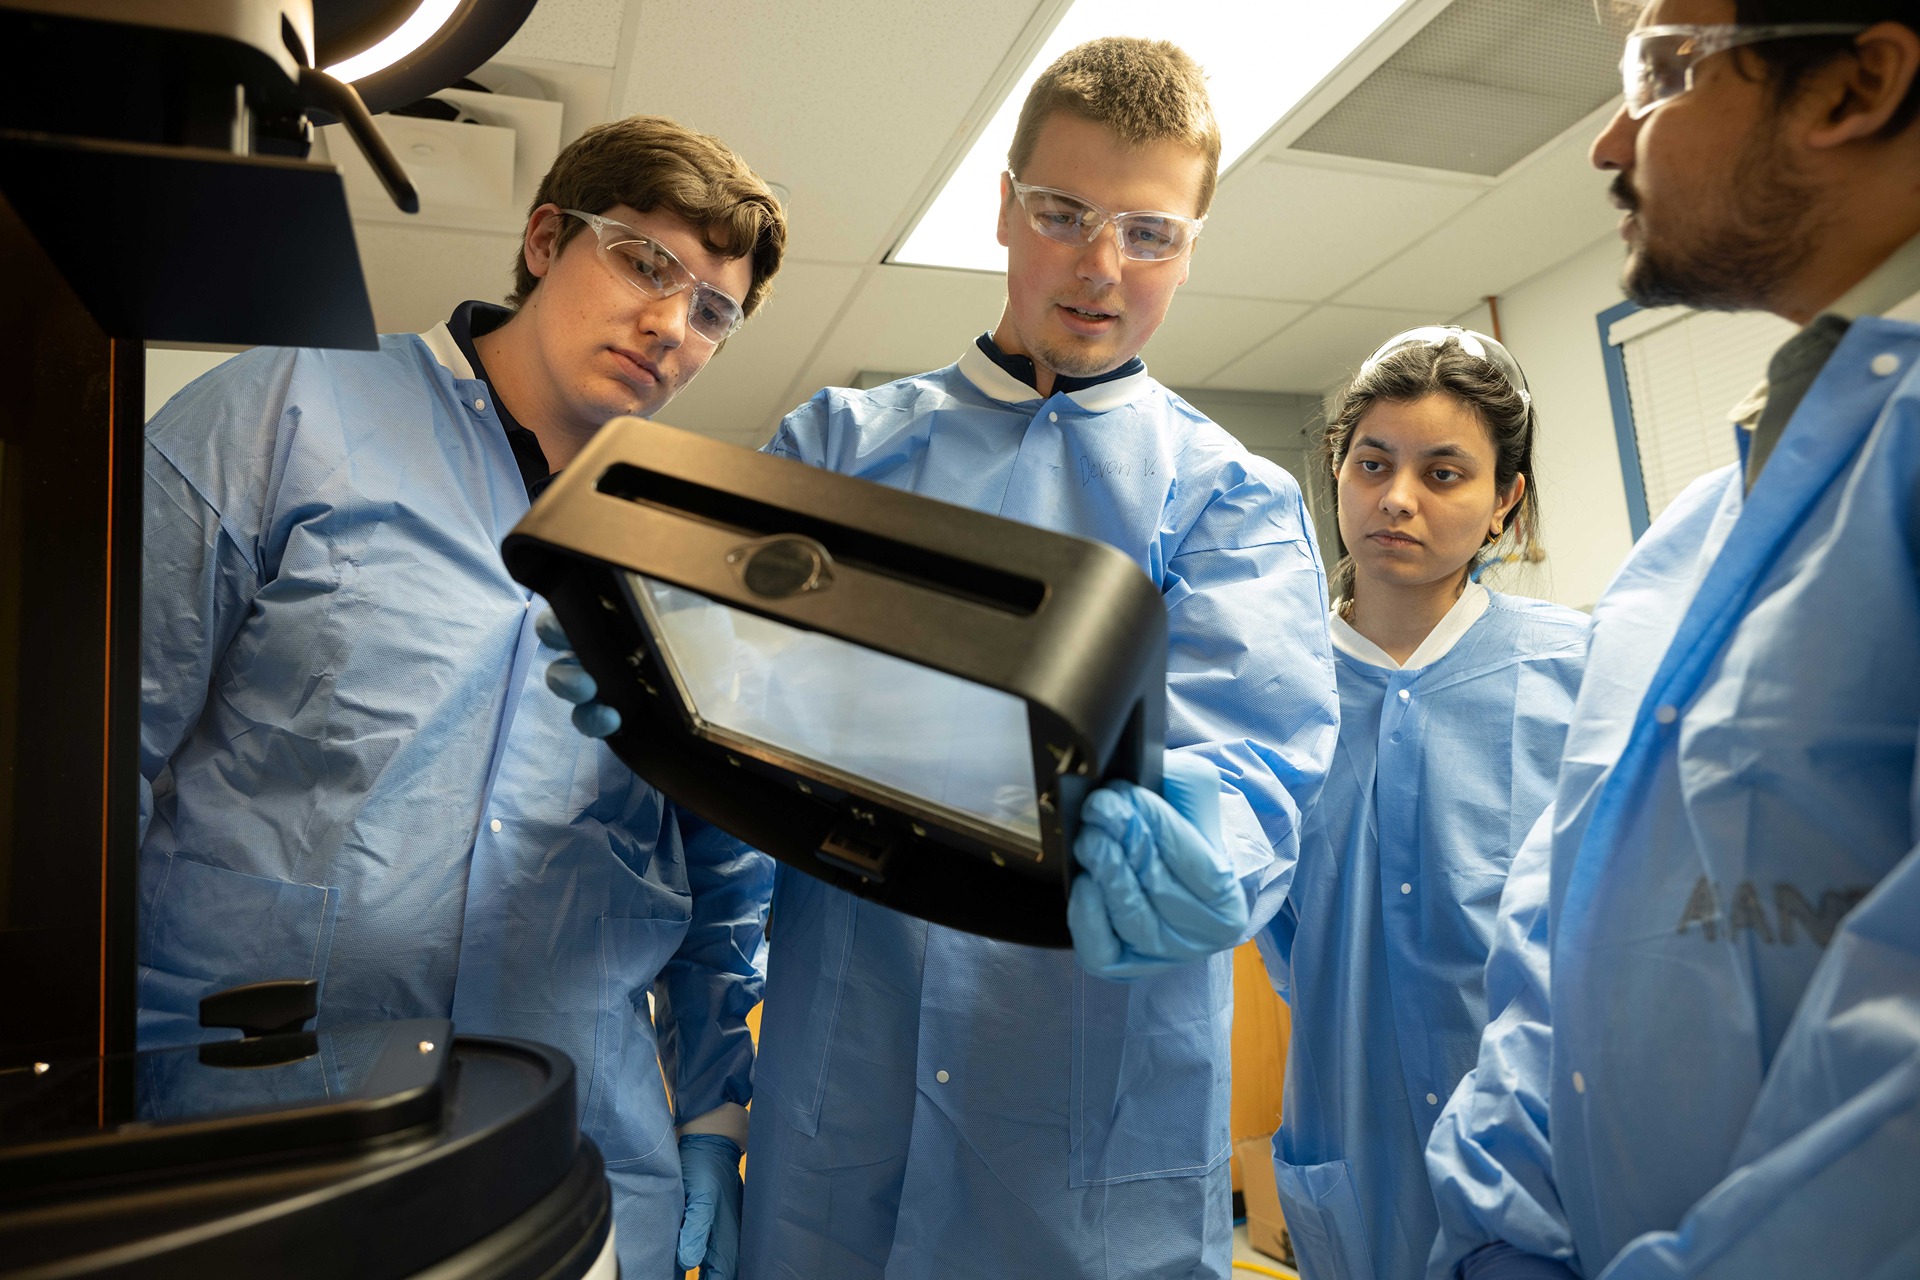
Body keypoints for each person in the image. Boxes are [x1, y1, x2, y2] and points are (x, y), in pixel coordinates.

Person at [136, 115, 784, 1280]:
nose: (670, 325)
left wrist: (712, 1116)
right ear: (546, 238)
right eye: (644, 262)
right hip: (260, 1110)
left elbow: (726, 867)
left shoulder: (695, 563)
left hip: (572, 1146)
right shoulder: (290, 405)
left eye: (713, 311)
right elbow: (88, 748)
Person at [744, 37, 1337, 1280]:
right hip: (838, 1125)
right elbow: (733, 755)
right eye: (1064, 212)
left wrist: (1199, 843)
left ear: (1191, 245)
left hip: (1082, 1144)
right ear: (1002, 205)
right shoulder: (836, 451)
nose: (1101, 266)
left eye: (1151, 232)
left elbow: (1257, 763)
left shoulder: (1227, 499)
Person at [1423, 4, 1920, 1277]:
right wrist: (1500, 1218)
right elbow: (1565, 909)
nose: (1607, 139)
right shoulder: (1690, 536)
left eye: (1659, 74)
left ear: (1855, 85)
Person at [1255, 327, 1588, 1280]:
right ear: (1337, 470)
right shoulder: (1272, 694)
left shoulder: (1580, 675)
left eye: (1445, 474)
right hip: (1356, 1148)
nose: (1397, 499)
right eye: (1374, 463)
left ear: (1503, 504)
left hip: (1550, 1139)